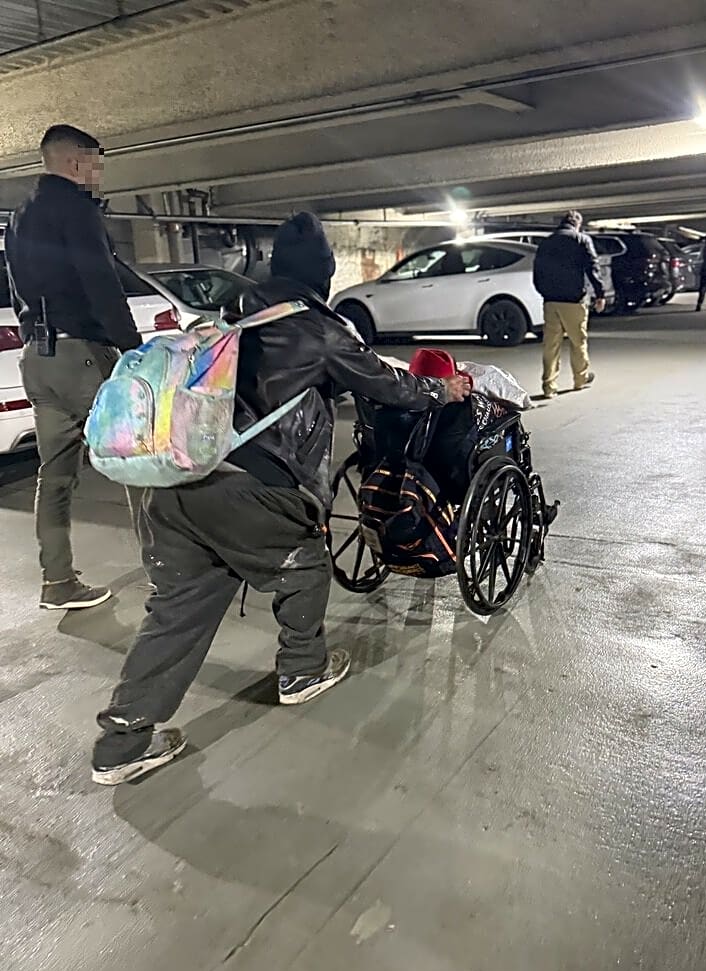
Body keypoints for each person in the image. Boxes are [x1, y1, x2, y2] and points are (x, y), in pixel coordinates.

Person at [90, 212, 472, 786]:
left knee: (176, 613)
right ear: (324, 272)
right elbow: (388, 384)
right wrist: (442, 388)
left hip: (178, 482)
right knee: (304, 560)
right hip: (247, 487)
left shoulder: (234, 316)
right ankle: (302, 669)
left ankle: (121, 742)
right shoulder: (319, 328)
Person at [5, 124, 141, 611]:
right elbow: (100, 282)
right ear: (76, 161)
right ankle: (169, 575)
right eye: (96, 162)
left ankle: (57, 581)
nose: (99, 172)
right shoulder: (77, 210)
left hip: (38, 359)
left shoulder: (18, 217)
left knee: (55, 474)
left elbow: (18, 292)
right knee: (137, 463)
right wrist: (132, 347)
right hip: (82, 355)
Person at [532, 211, 606, 399]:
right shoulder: (581, 240)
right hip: (574, 300)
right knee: (578, 341)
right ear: (577, 224)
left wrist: (544, 291)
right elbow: (593, 267)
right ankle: (580, 379)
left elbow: (537, 270)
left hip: (551, 300)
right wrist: (600, 294)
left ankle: (549, 386)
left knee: (551, 345)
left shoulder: (546, 242)